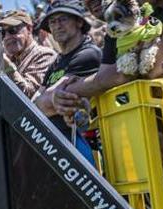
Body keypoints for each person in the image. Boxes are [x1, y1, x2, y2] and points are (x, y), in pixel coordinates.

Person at [32, 0, 102, 156]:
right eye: (52, 21)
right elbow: (34, 104)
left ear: (78, 22)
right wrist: (40, 103)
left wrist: (42, 102)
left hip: (79, 144)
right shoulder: (57, 62)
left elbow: (45, 103)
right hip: (58, 145)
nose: (57, 25)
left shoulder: (87, 54)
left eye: (63, 19)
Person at [0, 11, 57, 98]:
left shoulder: (45, 55)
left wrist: (7, 66)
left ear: (29, 29)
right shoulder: (10, 60)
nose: (7, 37)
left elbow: (29, 97)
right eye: (3, 33)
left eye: (12, 30)